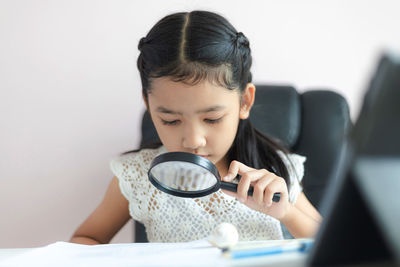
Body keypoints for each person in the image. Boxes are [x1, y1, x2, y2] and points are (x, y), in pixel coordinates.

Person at [70, 10, 321, 245]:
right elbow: (86, 239)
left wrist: (287, 212)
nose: (193, 140)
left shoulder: (275, 168)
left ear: (245, 101)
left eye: (212, 119)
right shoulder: (137, 175)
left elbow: (333, 247)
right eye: (170, 121)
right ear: (148, 104)